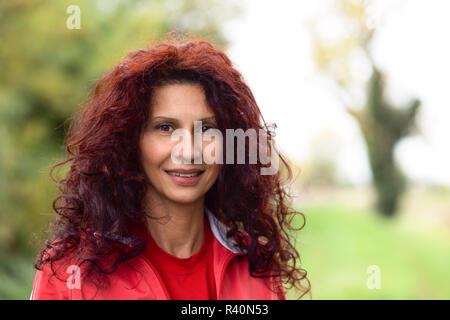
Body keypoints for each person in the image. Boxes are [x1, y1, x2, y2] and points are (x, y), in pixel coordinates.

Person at [30, 38, 310, 300]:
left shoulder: (257, 267)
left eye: (207, 129)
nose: (188, 151)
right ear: (130, 141)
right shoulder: (70, 270)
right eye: (165, 128)